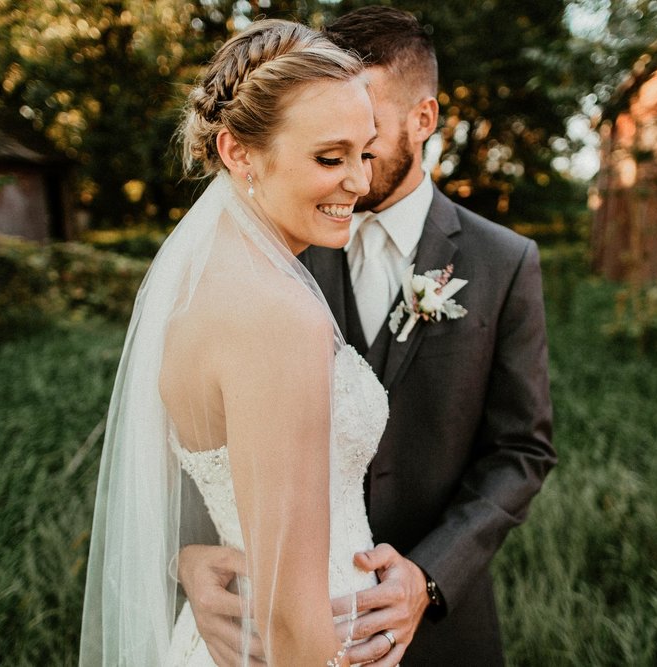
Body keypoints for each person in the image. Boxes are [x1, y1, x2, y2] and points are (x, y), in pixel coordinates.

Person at [178, 7, 557, 666]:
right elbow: (203, 423)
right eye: (330, 139)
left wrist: (429, 575)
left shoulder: (504, 262)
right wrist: (184, 553)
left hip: (444, 627)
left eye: (367, 127)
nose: (351, 159)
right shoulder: (277, 242)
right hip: (266, 622)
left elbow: (522, 448)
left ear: (424, 119)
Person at [78, 19, 389, 666]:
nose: (359, 182)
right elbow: (289, 617)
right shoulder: (276, 314)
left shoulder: (209, 284)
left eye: (367, 152)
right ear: (238, 152)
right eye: (330, 158)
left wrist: (186, 558)